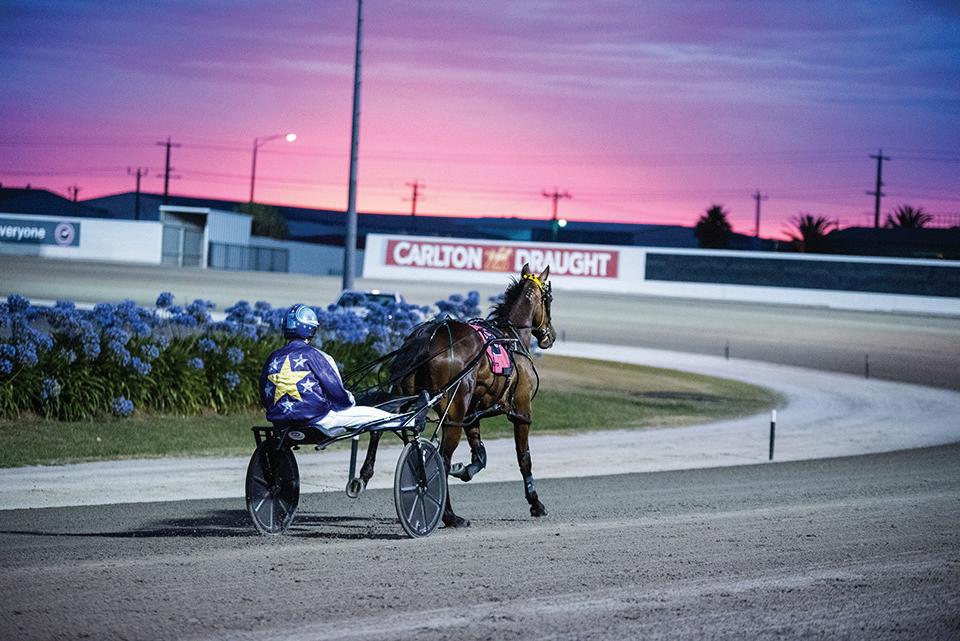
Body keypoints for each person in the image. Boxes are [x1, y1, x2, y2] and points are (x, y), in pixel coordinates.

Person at [260, 304, 420, 438]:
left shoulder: (272, 358)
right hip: (317, 419)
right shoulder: (317, 356)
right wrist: (350, 401)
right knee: (370, 415)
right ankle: (409, 421)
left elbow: (263, 392)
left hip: (280, 420)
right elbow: (336, 393)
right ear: (311, 329)